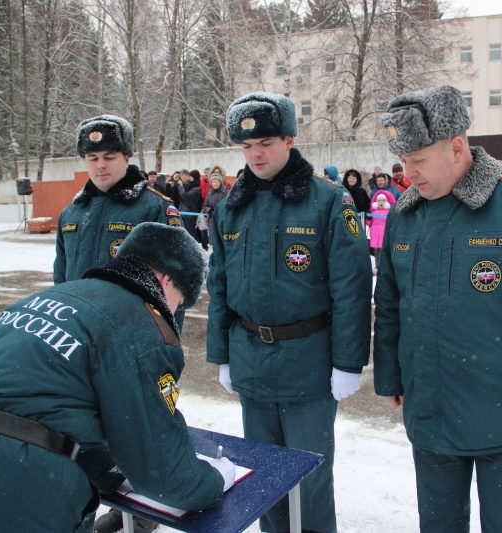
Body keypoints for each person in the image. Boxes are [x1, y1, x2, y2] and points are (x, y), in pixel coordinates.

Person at [0, 223, 236, 533]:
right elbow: (163, 474)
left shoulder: (54, 297)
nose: (173, 313)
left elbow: (31, 402)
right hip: (28, 485)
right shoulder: (140, 324)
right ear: (166, 280)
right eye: (179, 301)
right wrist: (212, 481)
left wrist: (100, 465)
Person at [373, 85, 502, 533]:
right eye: (403, 162)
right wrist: (390, 373)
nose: (408, 174)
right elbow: (390, 302)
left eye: (419, 161)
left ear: (456, 147)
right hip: (429, 412)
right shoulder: (404, 215)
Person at [206, 92, 372, 533]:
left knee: (310, 482)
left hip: (308, 364)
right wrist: (221, 354)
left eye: (265, 143)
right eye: (246, 147)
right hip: (251, 361)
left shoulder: (328, 202)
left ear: (290, 139)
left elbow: (352, 289)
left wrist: (347, 363)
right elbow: (219, 284)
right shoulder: (230, 209)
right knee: (262, 481)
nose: (255, 155)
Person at [53, 115, 182, 284]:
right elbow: (60, 277)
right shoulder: (71, 213)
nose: (100, 165)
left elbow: (177, 280)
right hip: (76, 310)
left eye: (109, 157)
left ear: (126, 158)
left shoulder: (155, 209)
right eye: (93, 158)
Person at [197, 167, 229, 251]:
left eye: (217, 181)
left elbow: (229, 204)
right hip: (212, 219)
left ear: (220, 182)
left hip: (223, 219)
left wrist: (221, 211)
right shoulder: (210, 192)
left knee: (223, 238)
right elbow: (205, 206)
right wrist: (209, 211)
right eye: (213, 181)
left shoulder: (226, 192)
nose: (215, 183)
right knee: (214, 238)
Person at [367, 190, 395, 274]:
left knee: (384, 254)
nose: (381, 202)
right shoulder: (373, 212)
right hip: (375, 237)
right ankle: (378, 267)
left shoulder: (389, 213)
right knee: (376, 253)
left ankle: (384, 269)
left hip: (384, 237)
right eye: (379, 200)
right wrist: (368, 219)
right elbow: (368, 223)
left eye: (383, 200)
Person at [178, 169, 203, 243]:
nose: (188, 177)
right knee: (185, 231)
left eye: (189, 176)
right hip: (183, 211)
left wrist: (180, 186)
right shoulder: (191, 185)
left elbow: (186, 196)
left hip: (190, 212)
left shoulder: (196, 187)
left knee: (191, 232)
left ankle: (196, 246)